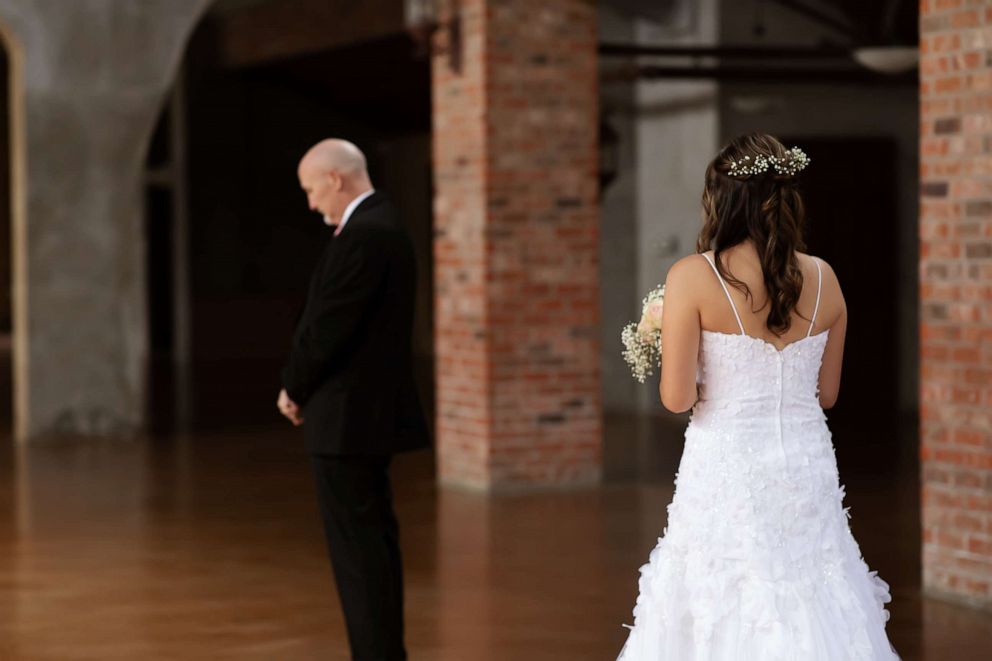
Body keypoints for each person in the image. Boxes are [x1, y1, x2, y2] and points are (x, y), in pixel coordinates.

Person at [616, 133, 900, 660]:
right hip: (805, 469)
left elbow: (678, 398)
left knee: (724, 596)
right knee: (812, 588)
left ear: (720, 200)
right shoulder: (826, 278)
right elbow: (827, 394)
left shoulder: (694, 277)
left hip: (727, 473)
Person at [278, 138, 430, 660]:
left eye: (311, 189)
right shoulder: (381, 223)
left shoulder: (369, 233)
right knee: (370, 545)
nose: (311, 202)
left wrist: (293, 387)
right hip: (360, 416)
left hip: (347, 418)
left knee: (359, 553)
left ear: (335, 179)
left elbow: (328, 328)